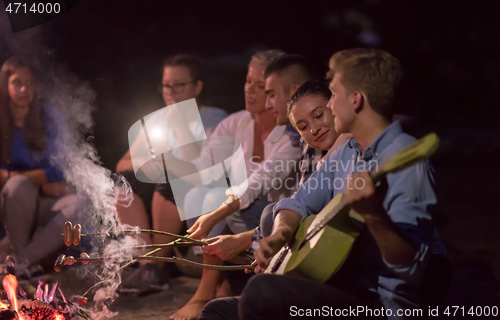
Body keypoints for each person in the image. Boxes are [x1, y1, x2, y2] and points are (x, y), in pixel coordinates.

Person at [203, 48, 444, 320]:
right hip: (341, 280)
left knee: (263, 292)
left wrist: (374, 216)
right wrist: (281, 234)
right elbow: (299, 201)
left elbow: (410, 265)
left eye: (334, 94)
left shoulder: (404, 159)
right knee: (217, 311)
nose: (329, 104)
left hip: (380, 301)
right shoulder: (347, 151)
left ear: (356, 100)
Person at [169, 50, 305, 320]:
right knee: (198, 190)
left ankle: (205, 292)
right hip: (244, 217)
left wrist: (215, 213)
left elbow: (258, 182)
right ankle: (221, 282)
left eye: (261, 86)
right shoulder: (236, 122)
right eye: (247, 81)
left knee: (224, 198)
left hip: (272, 220)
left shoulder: (292, 135)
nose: (251, 91)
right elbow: (201, 169)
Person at [116, 54, 228, 291]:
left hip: (198, 202)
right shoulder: (157, 120)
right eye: (166, 85)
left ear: (197, 86)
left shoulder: (214, 118)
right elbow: (122, 164)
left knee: (174, 177)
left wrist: (179, 122)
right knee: (123, 182)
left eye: (179, 86)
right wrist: (144, 163)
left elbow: (198, 166)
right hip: (159, 204)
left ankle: (158, 264)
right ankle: (149, 266)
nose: (170, 92)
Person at [0, 56, 82, 276]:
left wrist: (22, 177)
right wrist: (36, 182)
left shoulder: (49, 118)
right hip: (10, 203)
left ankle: (21, 263)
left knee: (80, 204)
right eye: (17, 83)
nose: (25, 89)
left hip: (45, 202)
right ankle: (21, 260)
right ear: (5, 86)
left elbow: (61, 167)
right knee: (18, 186)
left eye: (30, 82)